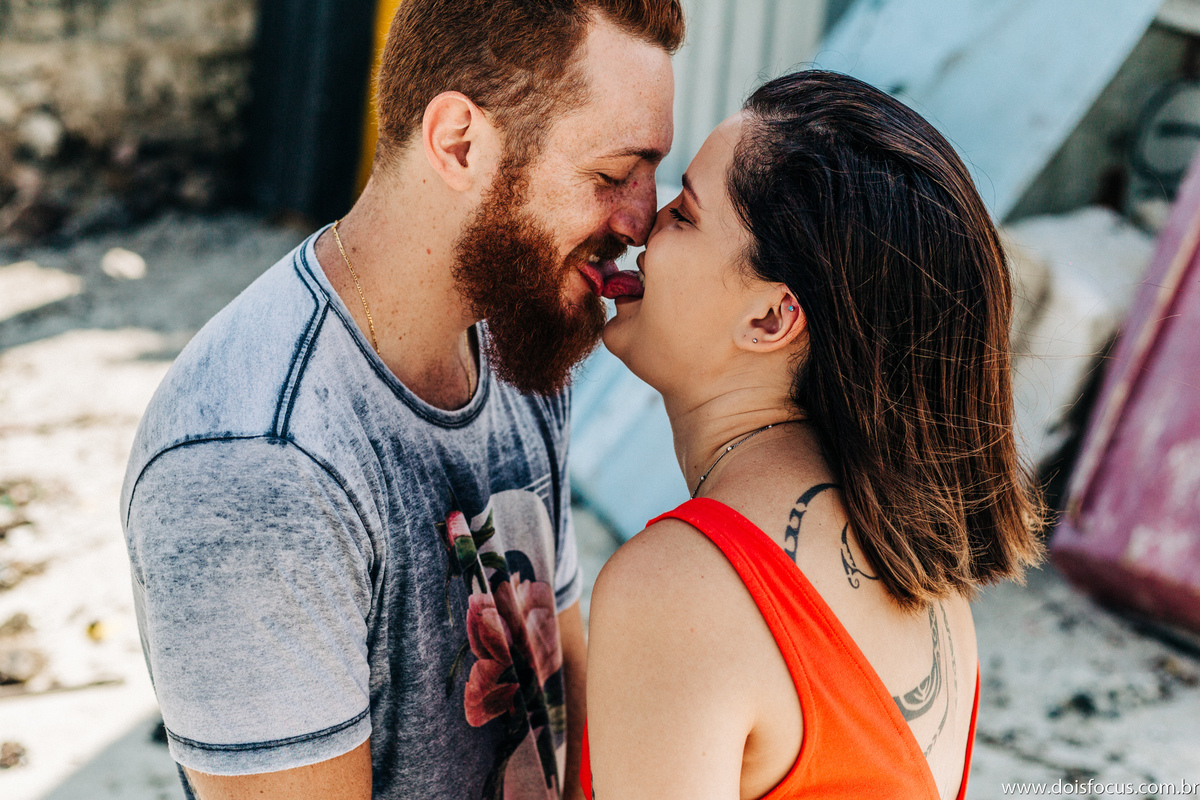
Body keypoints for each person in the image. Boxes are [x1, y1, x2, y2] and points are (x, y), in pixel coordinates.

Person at [120, 2, 682, 798]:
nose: (639, 221)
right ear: (459, 141)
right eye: (610, 175)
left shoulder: (513, 336)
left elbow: (564, 685)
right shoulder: (257, 461)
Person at [583, 70, 1046, 800]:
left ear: (771, 318)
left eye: (685, 214)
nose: (641, 222)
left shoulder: (681, 588)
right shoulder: (921, 569)